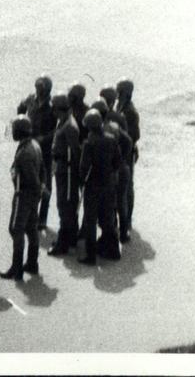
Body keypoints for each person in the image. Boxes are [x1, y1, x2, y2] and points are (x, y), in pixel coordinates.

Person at [0, 115, 43, 280]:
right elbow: (43, 170)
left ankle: (16, 268)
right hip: (32, 196)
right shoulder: (35, 145)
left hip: (23, 194)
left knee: (16, 229)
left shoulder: (24, 153)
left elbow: (31, 178)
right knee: (31, 228)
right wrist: (40, 190)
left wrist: (32, 190)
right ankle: (32, 262)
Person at [78, 110, 121, 264]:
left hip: (93, 186)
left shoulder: (89, 143)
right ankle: (114, 250)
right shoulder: (111, 139)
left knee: (90, 221)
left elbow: (84, 167)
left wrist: (82, 181)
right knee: (107, 219)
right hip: (108, 184)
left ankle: (90, 256)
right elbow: (117, 162)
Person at [18, 76, 56, 229]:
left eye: (40, 87)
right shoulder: (31, 100)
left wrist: (44, 138)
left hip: (45, 149)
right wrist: (22, 107)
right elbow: (20, 112)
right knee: (30, 179)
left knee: (46, 182)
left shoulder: (53, 106)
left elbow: (56, 130)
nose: (38, 90)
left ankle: (43, 217)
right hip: (30, 145)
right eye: (37, 87)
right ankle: (31, 214)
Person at [48, 94, 81, 256]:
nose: (53, 112)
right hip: (62, 169)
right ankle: (72, 237)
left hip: (67, 171)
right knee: (67, 204)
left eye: (54, 109)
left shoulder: (70, 127)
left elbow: (75, 152)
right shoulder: (64, 121)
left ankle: (63, 243)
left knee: (65, 205)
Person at [114, 79, 139, 241]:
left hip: (127, 153)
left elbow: (135, 135)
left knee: (127, 187)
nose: (117, 93)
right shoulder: (120, 106)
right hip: (121, 151)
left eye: (119, 91)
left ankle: (127, 220)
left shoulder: (131, 112)